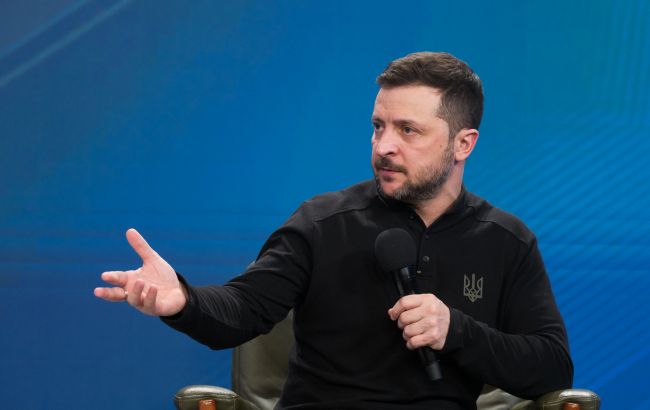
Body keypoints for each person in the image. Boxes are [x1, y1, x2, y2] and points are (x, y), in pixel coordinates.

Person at [95, 52, 573, 409]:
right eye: (378, 126)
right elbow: (243, 310)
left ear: (463, 144)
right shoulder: (322, 222)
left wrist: (456, 330)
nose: (384, 146)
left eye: (408, 130)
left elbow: (551, 367)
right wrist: (183, 300)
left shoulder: (506, 241)